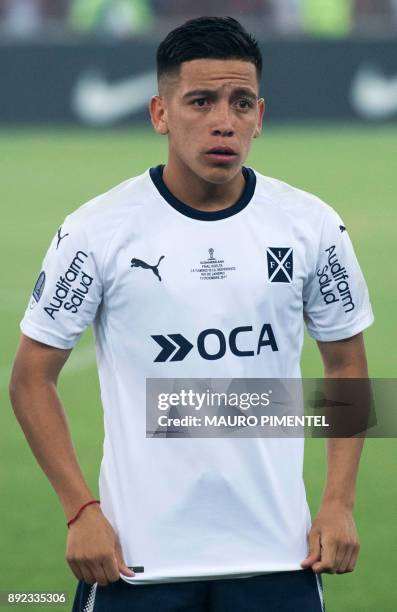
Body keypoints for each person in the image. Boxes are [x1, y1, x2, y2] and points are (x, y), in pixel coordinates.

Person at [9, 16, 374, 612]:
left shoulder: (311, 227)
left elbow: (347, 367)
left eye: (241, 102)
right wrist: (80, 510)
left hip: (279, 558)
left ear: (261, 115)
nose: (223, 121)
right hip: (135, 562)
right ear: (160, 113)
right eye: (200, 101)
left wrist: (338, 502)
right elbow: (30, 378)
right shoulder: (95, 231)